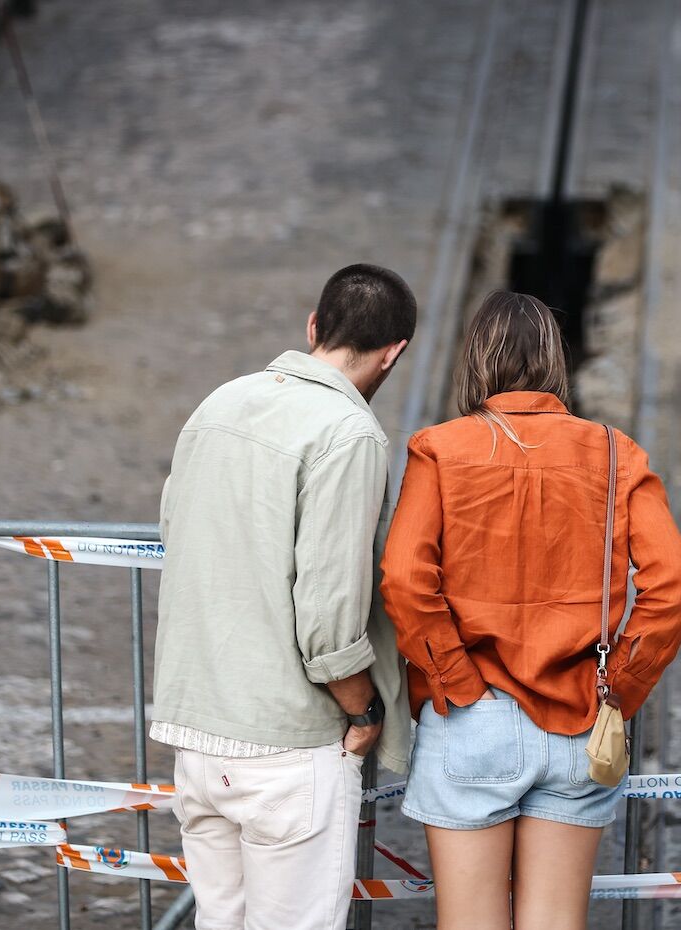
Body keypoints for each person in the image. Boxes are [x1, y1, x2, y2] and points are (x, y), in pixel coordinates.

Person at [381, 290, 681, 930]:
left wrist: (453, 679)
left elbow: (406, 577)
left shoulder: (439, 449)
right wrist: (619, 688)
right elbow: (672, 584)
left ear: (476, 360)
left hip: (473, 715)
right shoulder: (615, 452)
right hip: (581, 719)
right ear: (557, 360)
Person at [151, 263, 417, 930]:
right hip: (287, 745)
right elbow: (328, 615)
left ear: (313, 327)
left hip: (198, 732)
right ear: (394, 353)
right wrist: (365, 710)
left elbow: (176, 536)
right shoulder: (349, 433)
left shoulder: (217, 405)